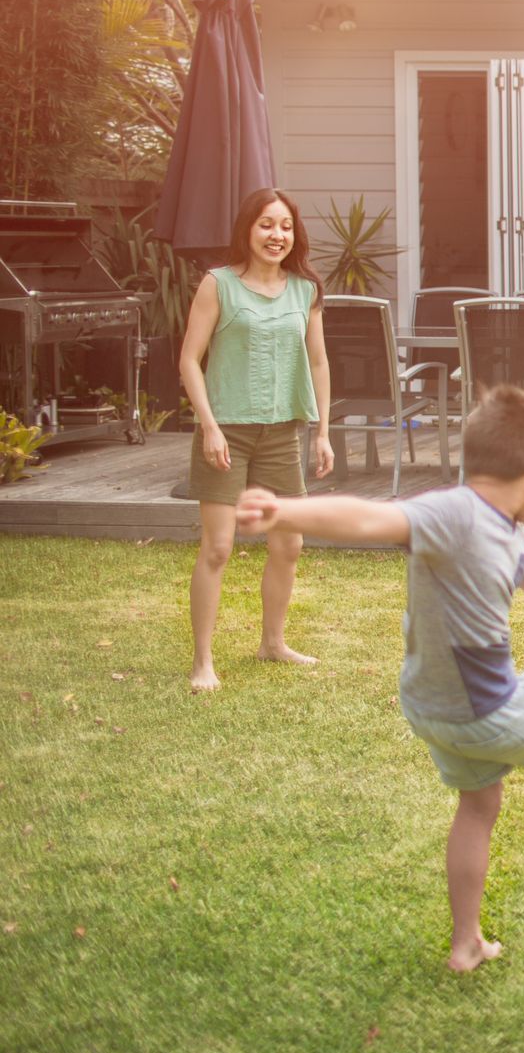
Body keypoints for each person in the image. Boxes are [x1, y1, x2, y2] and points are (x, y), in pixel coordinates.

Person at [234, 385, 524, 973]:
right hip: (479, 704)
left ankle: (466, 942)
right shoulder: (454, 515)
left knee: (479, 805)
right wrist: (285, 511)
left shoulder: (508, 528)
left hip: (432, 705)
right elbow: (370, 517)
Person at [180, 188, 335, 692]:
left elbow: (318, 362)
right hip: (227, 430)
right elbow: (189, 360)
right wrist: (209, 425)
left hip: (283, 430)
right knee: (218, 547)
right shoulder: (218, 284)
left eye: (286, 226)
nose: (277, 235)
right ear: (247, 229)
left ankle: (273, 643)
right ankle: (203, 661)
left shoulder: (305, 290)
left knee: (289, 543)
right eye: (267, 224)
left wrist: (323, 431)